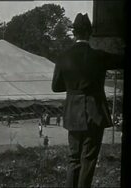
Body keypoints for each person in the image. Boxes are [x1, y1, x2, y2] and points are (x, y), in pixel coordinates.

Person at [52, 13, 124, 188]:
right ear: (89, 34)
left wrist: (73, 87)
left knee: (73, 158)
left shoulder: (63, 57)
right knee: (89, 159)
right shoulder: (99, 56)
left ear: (74, 33)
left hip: (73, 113)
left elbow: (56, 87)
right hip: (95, 112)